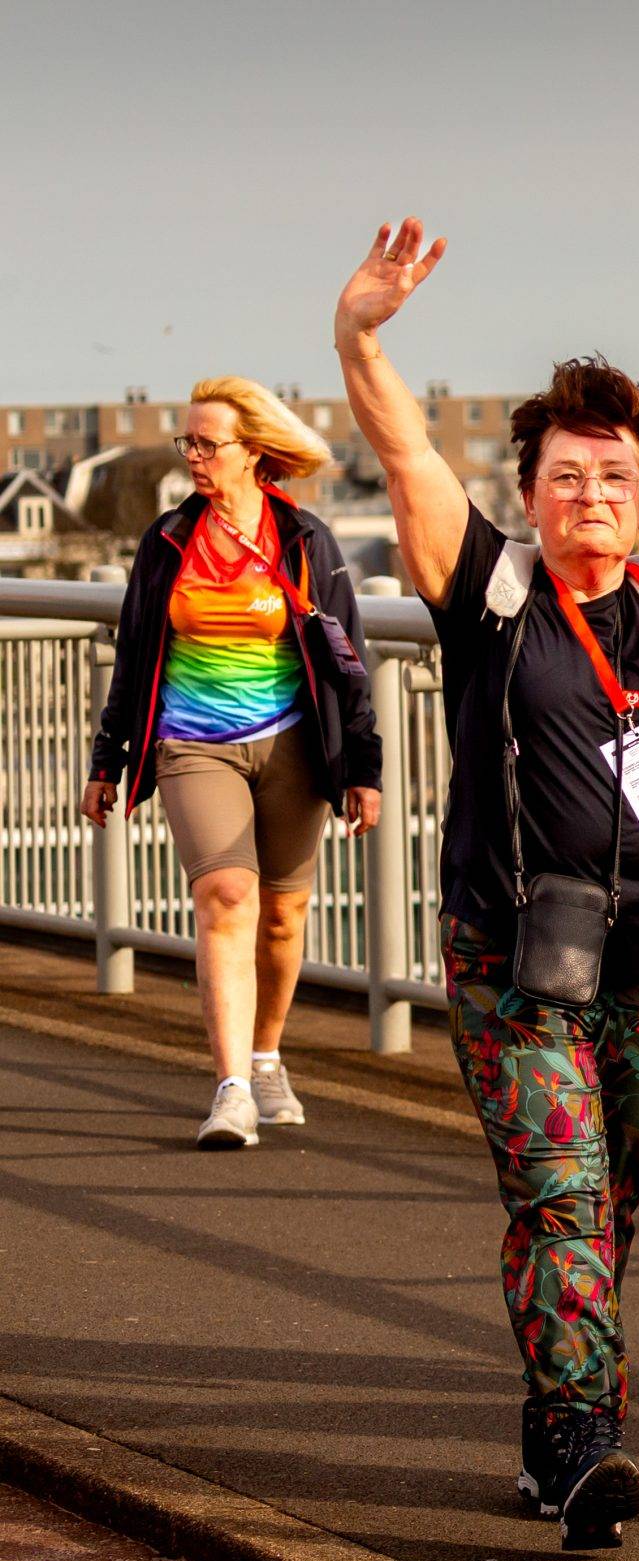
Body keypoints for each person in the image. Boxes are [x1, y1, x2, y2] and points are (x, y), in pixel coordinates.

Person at [333, 217, 639, 1552]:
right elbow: (399, 449)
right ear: (534, 484)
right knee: (559, 1189)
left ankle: (557, 1416)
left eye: (613, 476)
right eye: (566, 476)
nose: (590, 497)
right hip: (513, 951)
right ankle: (583, 1440)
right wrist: (362, 336)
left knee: (605, 1200)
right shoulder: (488, 585)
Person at [83, 377, 383, 1150]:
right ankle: (231, 1091)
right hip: (192, 746)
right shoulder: (167, 542)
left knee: (283, 915)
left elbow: (348, 660)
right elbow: (134, 656)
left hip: (291, 745)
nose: (194, 458)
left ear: (254, 452)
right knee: (224, 895)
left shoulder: (306, 540)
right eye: (188, 443)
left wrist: (364, 767)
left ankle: (267, 1054)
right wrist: (109, 758)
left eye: (207, 444)